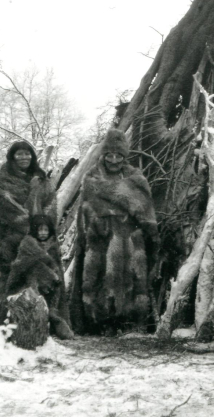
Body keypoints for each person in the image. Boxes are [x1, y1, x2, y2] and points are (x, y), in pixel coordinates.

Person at [69, 129, 159, 334]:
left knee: (130, 276)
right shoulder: (92, 176)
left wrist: (148, 229)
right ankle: (102, 322)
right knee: (99, 276)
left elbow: (143, 203)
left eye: (118, 155)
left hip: (129, 234)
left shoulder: (134, 176)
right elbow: (86, 205)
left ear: (124, 155)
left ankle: (127, 321)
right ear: (103, 154)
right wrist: (95, 220)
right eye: (109, 154)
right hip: (100, 234)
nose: (113, 159)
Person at [0, 141, 51, 321]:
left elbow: (50, 203)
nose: (24, 157)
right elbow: (7, 209)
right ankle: (10, 320)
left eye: (27, 154)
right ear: (12, 156)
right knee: (13, 273)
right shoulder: (3, 179)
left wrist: (45, 226)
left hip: (41, 235)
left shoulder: (40, 176)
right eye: (19, 154)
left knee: (38, 273)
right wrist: (32, 227)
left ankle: (38, 320)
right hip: (12, 237)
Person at [7, 214, 73, 339]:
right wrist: (43, 270)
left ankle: (55, 322)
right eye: (40, 230)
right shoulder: (27, 245)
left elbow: (57, 266)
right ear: (34, 230)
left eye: (46, 230)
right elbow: (19, 267)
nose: (43, 233)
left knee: (51, 308)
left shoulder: (53, 245)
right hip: (31, 284)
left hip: (51, 288)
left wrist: (54, 276)